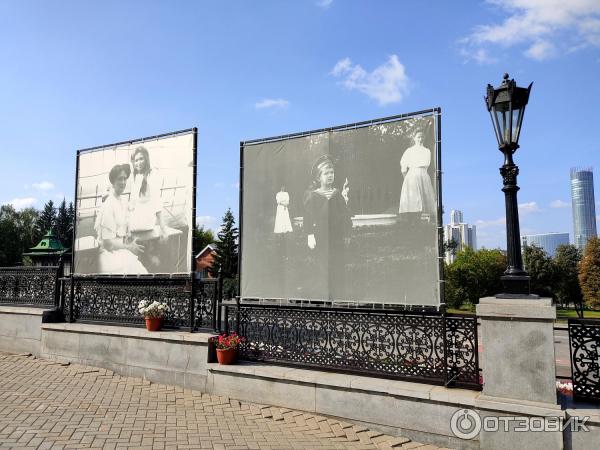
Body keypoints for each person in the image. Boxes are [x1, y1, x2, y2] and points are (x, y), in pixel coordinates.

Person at [303, 155, 352, 299]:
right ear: (319, 177)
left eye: (332, 172)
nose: (330, 176)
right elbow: (308, 218)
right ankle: (321, 295)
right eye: (326, 173)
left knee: (338, 263)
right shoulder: (313, 196)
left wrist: (347, 233)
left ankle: (338, 294)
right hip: (320, 236)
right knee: (322, 265)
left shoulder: (337, 195)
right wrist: (310, 234)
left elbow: (345, 215)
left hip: (337, 236)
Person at [94, 164, 148, 274]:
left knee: (142, 265)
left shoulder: (122, 201)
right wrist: (129, 247)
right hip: (109, 253)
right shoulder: (109, 205)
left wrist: (129, 242)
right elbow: (107, 243)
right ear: (113, 181)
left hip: (120, 248)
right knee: (135, 269)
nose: (123, 182)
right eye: (120, 179)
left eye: (125, 179)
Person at [129, 146, 167, 237]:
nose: (138, 162)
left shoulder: (152, 175)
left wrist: (163, 229)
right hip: (136, 219)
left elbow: (157, 202)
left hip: (144, 222)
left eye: (141, 159)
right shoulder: (135, 177)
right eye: (136, 160)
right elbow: (132, 204)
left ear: (146, 159)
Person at [398, 131, 436, 215]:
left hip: (423, 175)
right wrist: (406, 179)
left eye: (422, 137)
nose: (420, 139)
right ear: (414, 138)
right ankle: (412, 221)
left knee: (424, 200)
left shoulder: (427, 151)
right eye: (418, 137)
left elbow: (428, 164)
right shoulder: (409, 151)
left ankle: (423, 221)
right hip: (412, 175)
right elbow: (403, 165)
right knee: (413, 200)